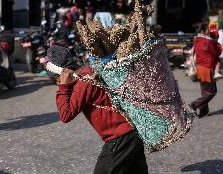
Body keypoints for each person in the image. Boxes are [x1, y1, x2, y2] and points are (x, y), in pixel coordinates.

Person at [47, 46, 149, 174]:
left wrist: (63, 87)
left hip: (121, 137)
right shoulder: (88, 72)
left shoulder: (83, 83)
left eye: (56, 79)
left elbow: (65, 115)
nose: (57, 83)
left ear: (62, 73)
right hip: (133, 132)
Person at [190, 24, 222, 118]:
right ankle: (194, 105)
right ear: (204, 31)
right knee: (212, 91)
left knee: (204, 91)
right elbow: (217, 52)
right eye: (208, 29)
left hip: (199, 67)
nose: (209, 31)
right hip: (207, 68)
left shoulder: (197, 41)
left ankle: (204, 112)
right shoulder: (209, 42)